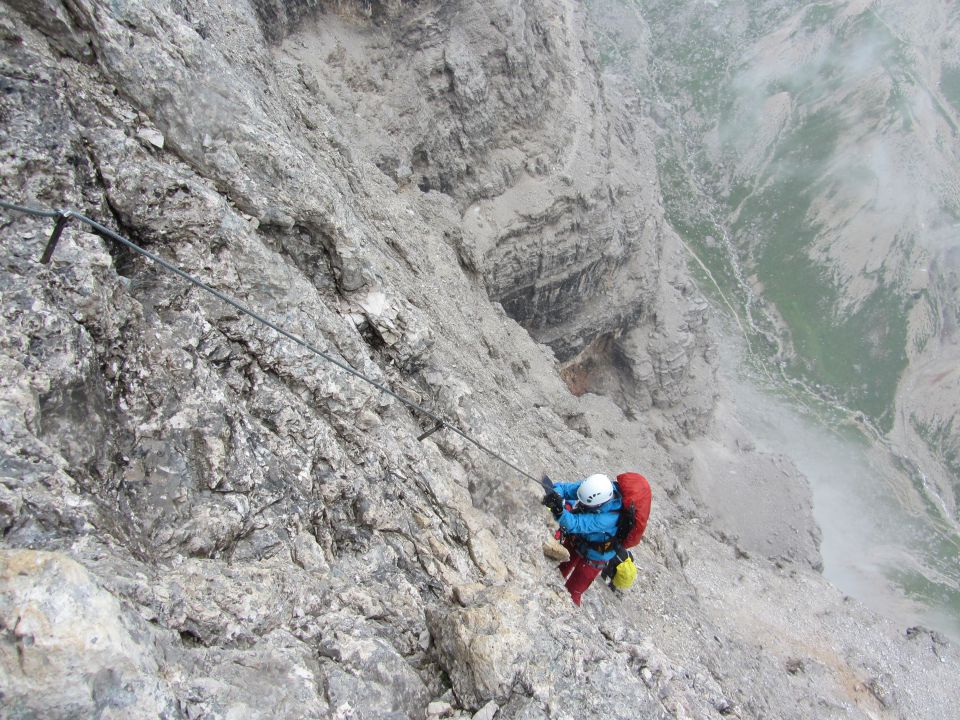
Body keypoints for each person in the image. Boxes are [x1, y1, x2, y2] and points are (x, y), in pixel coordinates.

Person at [542, 473, 622, 606]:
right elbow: (565, 489)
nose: (583, 505)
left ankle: (567, 611)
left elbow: (576, 523)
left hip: (595, 556)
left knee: (573, 591)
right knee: (557, 571)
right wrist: (554, 494)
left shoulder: (609, 518)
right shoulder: (593, 488)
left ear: (598, 504)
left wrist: (559, 511)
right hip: (578, 540)